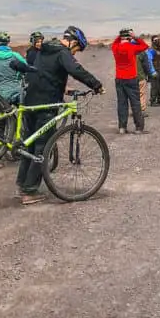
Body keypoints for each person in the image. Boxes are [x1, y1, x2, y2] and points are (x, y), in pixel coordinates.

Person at [16, 26, 103, 205]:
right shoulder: (63, 52)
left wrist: (64, 88)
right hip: (47, 104)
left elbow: (46, 73)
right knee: (42, 147)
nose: (76, 53)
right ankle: (29, 191)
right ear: (73, 42)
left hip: (30, 101)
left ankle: (22, 184)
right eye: (77, 48)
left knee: (30, 145)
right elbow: (75, 70)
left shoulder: (45, 49)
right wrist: (96, 85)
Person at [111, 28, 149, 134]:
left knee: (122, 103)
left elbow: (115, 42)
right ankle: (138, 128)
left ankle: (122, 127)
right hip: (131, 78)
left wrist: (120, 36)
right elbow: (145, 46)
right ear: (129, 37)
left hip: (119, 78)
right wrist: (135, 37)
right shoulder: (132, 47)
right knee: (135, 103)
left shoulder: (115, 48)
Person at [137, 45, 155, 116]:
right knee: (141, 94)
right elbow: (146, 66)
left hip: (131, 78)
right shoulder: (142, 53)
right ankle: (141, 111)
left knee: (134, 95)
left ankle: (135, 110)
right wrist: (149, 75)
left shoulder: (129, 52)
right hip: (141, 77)